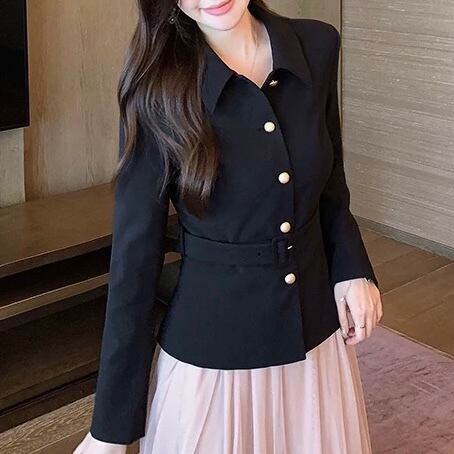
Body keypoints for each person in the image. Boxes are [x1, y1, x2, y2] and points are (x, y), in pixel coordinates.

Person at [74, 0, 383, 453]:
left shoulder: (316, 46)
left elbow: (329, 182)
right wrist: (110, 432)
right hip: (213, 354)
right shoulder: (155, 86)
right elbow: (134, 260)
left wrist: (351, 268)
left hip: (313, 337)